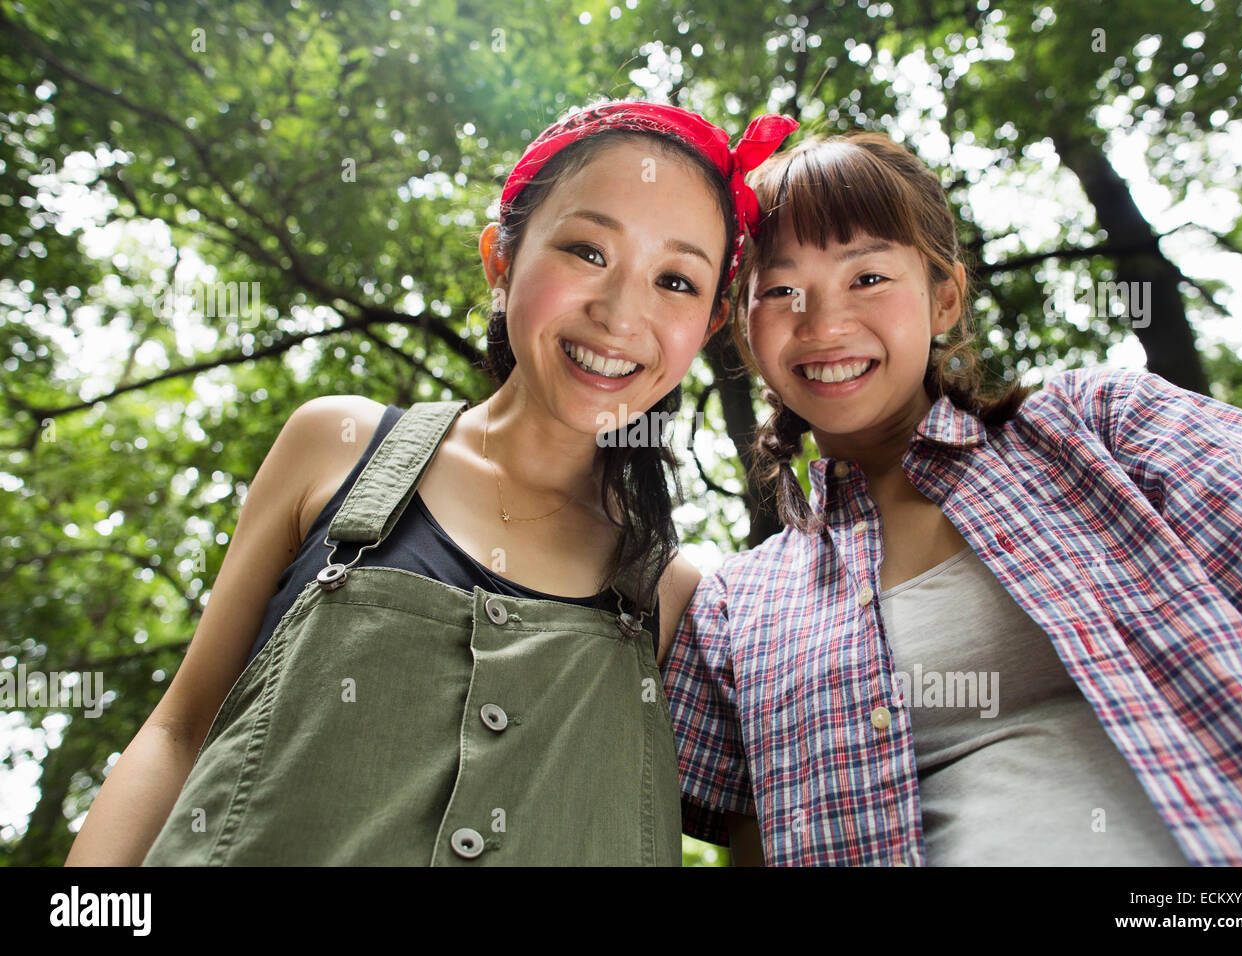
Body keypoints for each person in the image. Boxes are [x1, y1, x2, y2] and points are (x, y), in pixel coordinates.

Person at [64, 100, 797, 866]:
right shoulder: (335, 448)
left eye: (675, 280)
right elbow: (180, 731)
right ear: (502, 263)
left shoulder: (678, 604)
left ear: (711, 324)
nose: (619, 313)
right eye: (587, 251)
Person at [661, 130, 1242, 866]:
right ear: (745, 326)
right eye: (779, 290)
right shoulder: (733, 612)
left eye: (867, 277)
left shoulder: (1103, 428)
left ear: (943, 299)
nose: (825, 322)